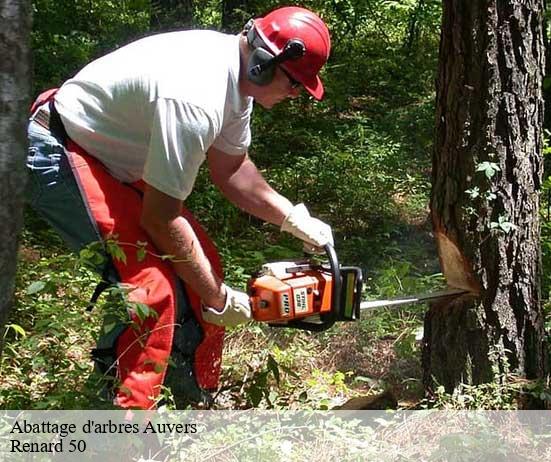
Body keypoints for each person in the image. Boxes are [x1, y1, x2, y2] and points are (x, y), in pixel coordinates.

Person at [25, 6, 334, 409]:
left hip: (112, 155)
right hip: (60, 147)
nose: (296, 96)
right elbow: (161, 217)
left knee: (204, 266)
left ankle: (191, 395)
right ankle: (122, 431)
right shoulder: (196, 96)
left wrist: (290, 217)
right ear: (263, 64)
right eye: (295, 85)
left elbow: (232, 169)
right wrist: (219, 299)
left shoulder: (237, 85)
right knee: (150, 291)